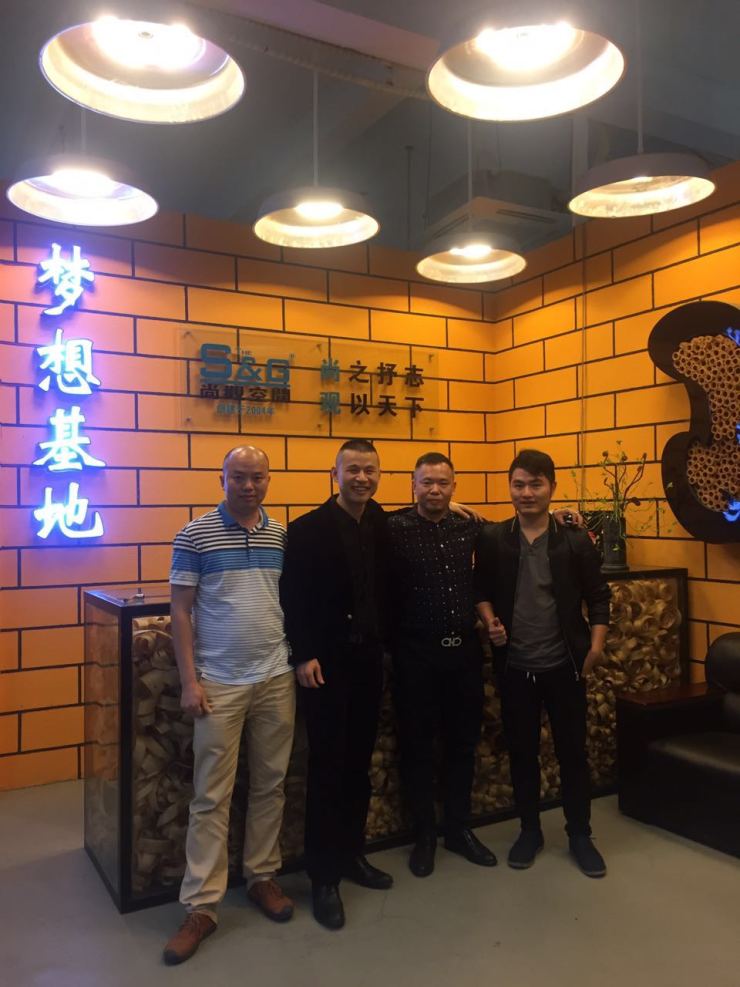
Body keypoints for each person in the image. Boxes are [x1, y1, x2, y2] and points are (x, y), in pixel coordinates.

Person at [163, 445, 296, 965]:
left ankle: (261, 876)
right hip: (218, 682)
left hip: (276, 676)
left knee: (270, 783)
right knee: (210, 796)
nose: (248, 486)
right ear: (222, 478)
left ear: (269, 480)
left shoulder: (280, 535)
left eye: (257, 477)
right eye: (238, 477)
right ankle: (201, 906)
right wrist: (189, 681)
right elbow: (180, 611)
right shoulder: (194, 535)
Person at [474, 449, 611, 878]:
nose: (526, 492)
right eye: (518, 484)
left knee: (573, 753)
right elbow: (480, 590)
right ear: (509, 487)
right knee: (523, 753)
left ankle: (580, 835)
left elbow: (599, 596)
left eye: (536, 484)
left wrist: (595, 647)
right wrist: (490, 621)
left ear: (552, 486)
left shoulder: (573, 540)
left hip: (565, 665)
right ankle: (529, 831)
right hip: (515, 666)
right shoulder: (495, 538)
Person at [279, 439, 393, 930]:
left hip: (369, 661)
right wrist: (303, 653)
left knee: (358, 765)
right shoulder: (307, 530)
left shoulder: (383, 523)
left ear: (379, 475)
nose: (362, 478)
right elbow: (292, 598)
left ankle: (351, 854)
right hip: (324, 665)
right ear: (335, 473)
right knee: (326, 767)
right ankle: (323, 876)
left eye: (370, 470)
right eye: (353, 470)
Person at [388, 452, 497, 878]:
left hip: (464, 653)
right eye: (427, 482)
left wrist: (560, 516)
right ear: (413, 485)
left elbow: (516, 532)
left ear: (454, 486)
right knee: (416, 746)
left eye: (443, 483)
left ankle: (458, 829)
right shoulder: (392, 527)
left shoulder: (469, 526)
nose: (435, 490)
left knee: (462, 744)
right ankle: (425, 835)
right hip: (415, 654)